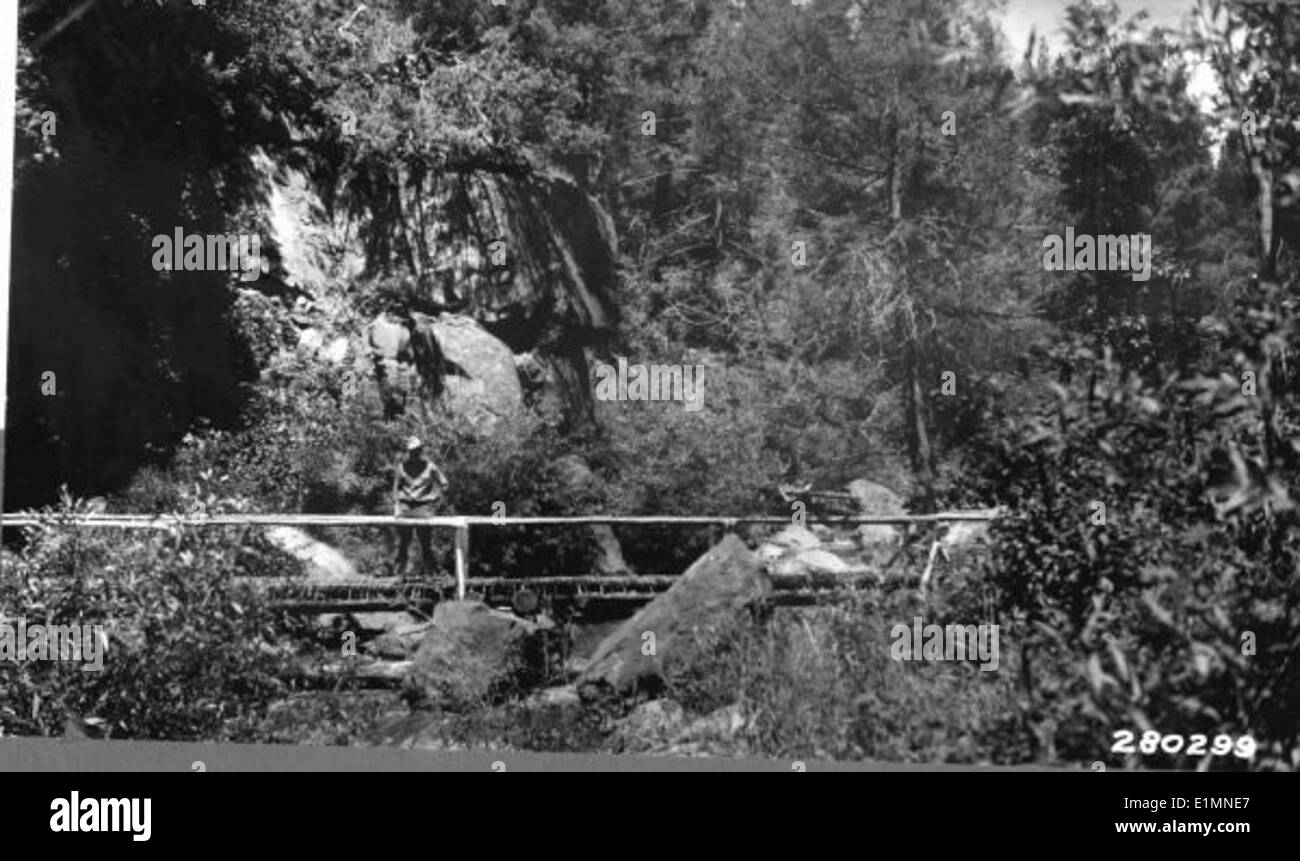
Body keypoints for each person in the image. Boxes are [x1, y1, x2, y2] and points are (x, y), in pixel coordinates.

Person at [392, 436, 448, 580]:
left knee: (425, 542)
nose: (414, 454)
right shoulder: (401, 467)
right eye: (412, 451)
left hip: (424, 507)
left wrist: (437, 502)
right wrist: (397, 506)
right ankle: (399, 575)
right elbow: (395, 487)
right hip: (405, 506)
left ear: (421, 450)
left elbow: (444, 483)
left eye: (416, 451)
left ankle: (430, 575)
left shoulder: (430, 466)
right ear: (408, 452)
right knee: (404, 541)